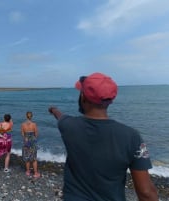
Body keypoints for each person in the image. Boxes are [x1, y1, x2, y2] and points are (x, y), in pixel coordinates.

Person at [48, 72, 158, 201]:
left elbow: (60, 117)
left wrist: (53, 110)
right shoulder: (132, 137)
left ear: (83, 96)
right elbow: (146, 192)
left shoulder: (68, 126)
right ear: (111, 100)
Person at [21, 111, 40, 178]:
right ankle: (35, 173)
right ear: (31, 116)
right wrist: (33, 138)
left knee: (27, 157)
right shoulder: (34, 124)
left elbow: (22, 134)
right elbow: (36, 134)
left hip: (26, 141)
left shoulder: (23, 124)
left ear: (26, 116)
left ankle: (28, 171)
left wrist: (26, 138)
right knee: (34, 158)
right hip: (32, 141)